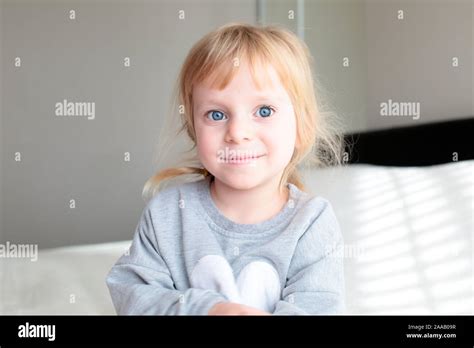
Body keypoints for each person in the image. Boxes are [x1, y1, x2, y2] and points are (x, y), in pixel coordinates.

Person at [106, 22, 345, 315]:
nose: (237, 132)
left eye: (264, 111)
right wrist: (209, 310)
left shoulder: (312, 222)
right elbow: (132, 295)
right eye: (216, 114)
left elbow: (318, 308)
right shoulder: (168, 212)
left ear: (302, 127)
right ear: (194, 129)